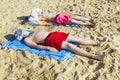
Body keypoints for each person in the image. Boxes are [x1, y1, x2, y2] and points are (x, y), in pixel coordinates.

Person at [14, 29, 105, 61]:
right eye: (22, 32)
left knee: (77, 39)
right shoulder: (27, 40)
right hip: (50, 40)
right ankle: (94, 56)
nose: (24, 32)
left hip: (55, 34)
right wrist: (48, 48)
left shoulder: (30, 33)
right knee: (70, 46)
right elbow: (36, 46)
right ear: (22, 36)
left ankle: (96, 42)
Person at [27, 8, 96, 27]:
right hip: (58, 19)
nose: (38, 12)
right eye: (37, 12)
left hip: (60, 15)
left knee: (74, 16)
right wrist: (32, 17)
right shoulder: (40, 17)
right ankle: (88, 24)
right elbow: (30, 20)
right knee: (72, 20)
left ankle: (89, 19)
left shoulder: (42, 11)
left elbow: (36, 9)